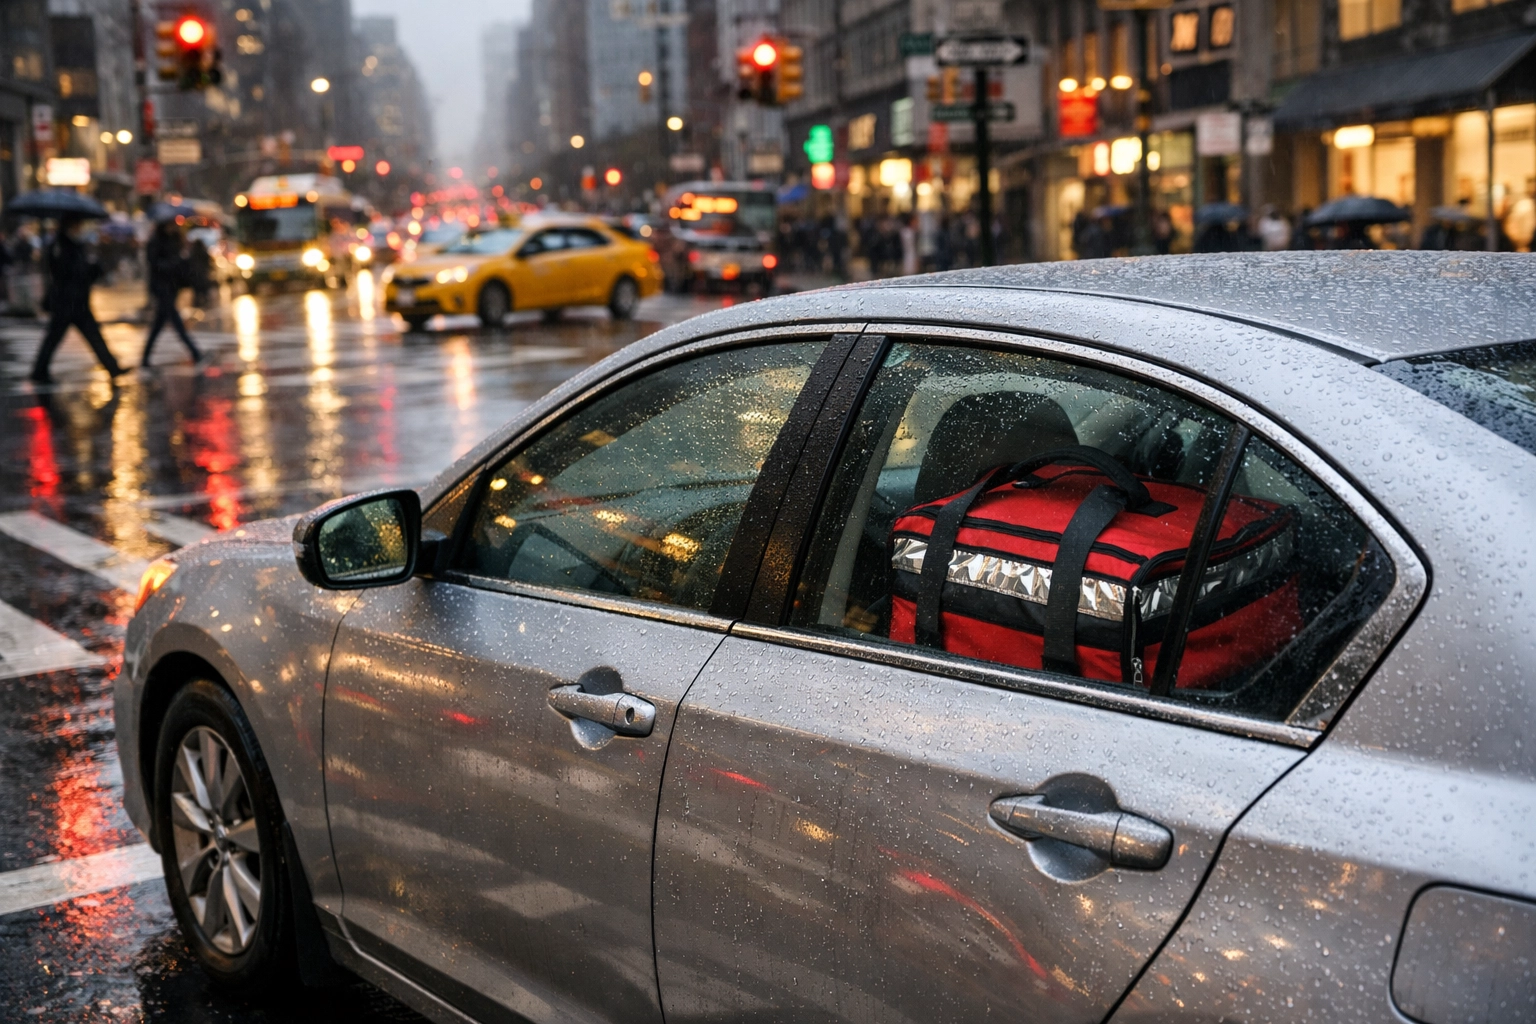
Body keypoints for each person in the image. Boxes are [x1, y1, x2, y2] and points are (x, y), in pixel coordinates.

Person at [30, 217, 126, 382]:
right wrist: (90, 268)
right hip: (68, 302)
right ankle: (39, 371)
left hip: (77, 301)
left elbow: (81, 272)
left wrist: (94, 267)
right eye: (77, 225)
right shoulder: (61, 246)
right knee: (55, 338)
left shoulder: (72, 245)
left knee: (91, 336)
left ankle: (112, 367)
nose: (79, 229)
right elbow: (69, 273)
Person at [139, 219, 201, 367]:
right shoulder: (155, 241)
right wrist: (173, 263)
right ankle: (195, 352)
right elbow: (154, 264)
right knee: (175, 321)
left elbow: (180, 262)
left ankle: (145, 358)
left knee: (159, 324)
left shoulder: (175, 239)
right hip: (161, 287)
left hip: (172, 286)